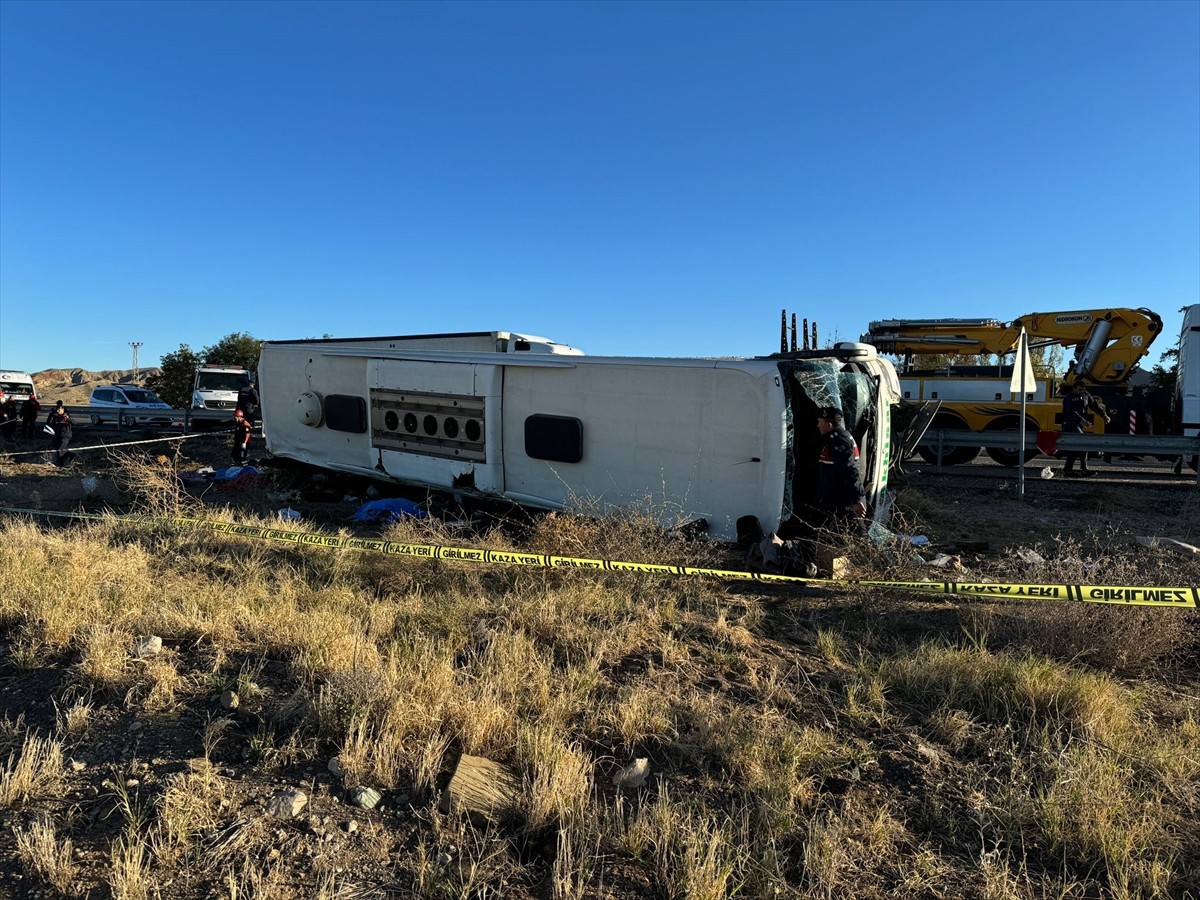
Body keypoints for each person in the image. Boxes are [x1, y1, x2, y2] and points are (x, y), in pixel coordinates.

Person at [816, 406, 868, 523]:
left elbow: (850, 470)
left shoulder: (837, 440)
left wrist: (857, 499)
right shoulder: (841, 435)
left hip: (843, 502)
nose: (818, 425)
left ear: (829, 425)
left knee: (852, 535)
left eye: (820, 422)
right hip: (839, 499)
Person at [1060, 382, 1109, 478]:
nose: (1081, 392)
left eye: (1083, 390)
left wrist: (1104, 415)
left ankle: (1068, 470)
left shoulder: (1086, 395)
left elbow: (1094, 405)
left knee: (1074, 448)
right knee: (1083, 443)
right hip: (1069, 424)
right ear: (1074, 389)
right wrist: (1082, 421)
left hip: (1078, 424)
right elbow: (1071, 412)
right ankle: (1084, 469)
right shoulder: (1069, 398)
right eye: (1079, 390)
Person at [45, 400, 73, 466]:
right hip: (58, 434)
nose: (58, 411)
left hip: (65, 435)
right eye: (57, 409)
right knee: (57, 448)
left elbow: (74, 422)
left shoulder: (66, 415)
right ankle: (60, 461)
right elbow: (50, 418)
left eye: (59, 409)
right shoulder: (55, 415)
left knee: (61, 448)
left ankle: (62, 464)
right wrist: (48, 425)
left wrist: (68, 419)